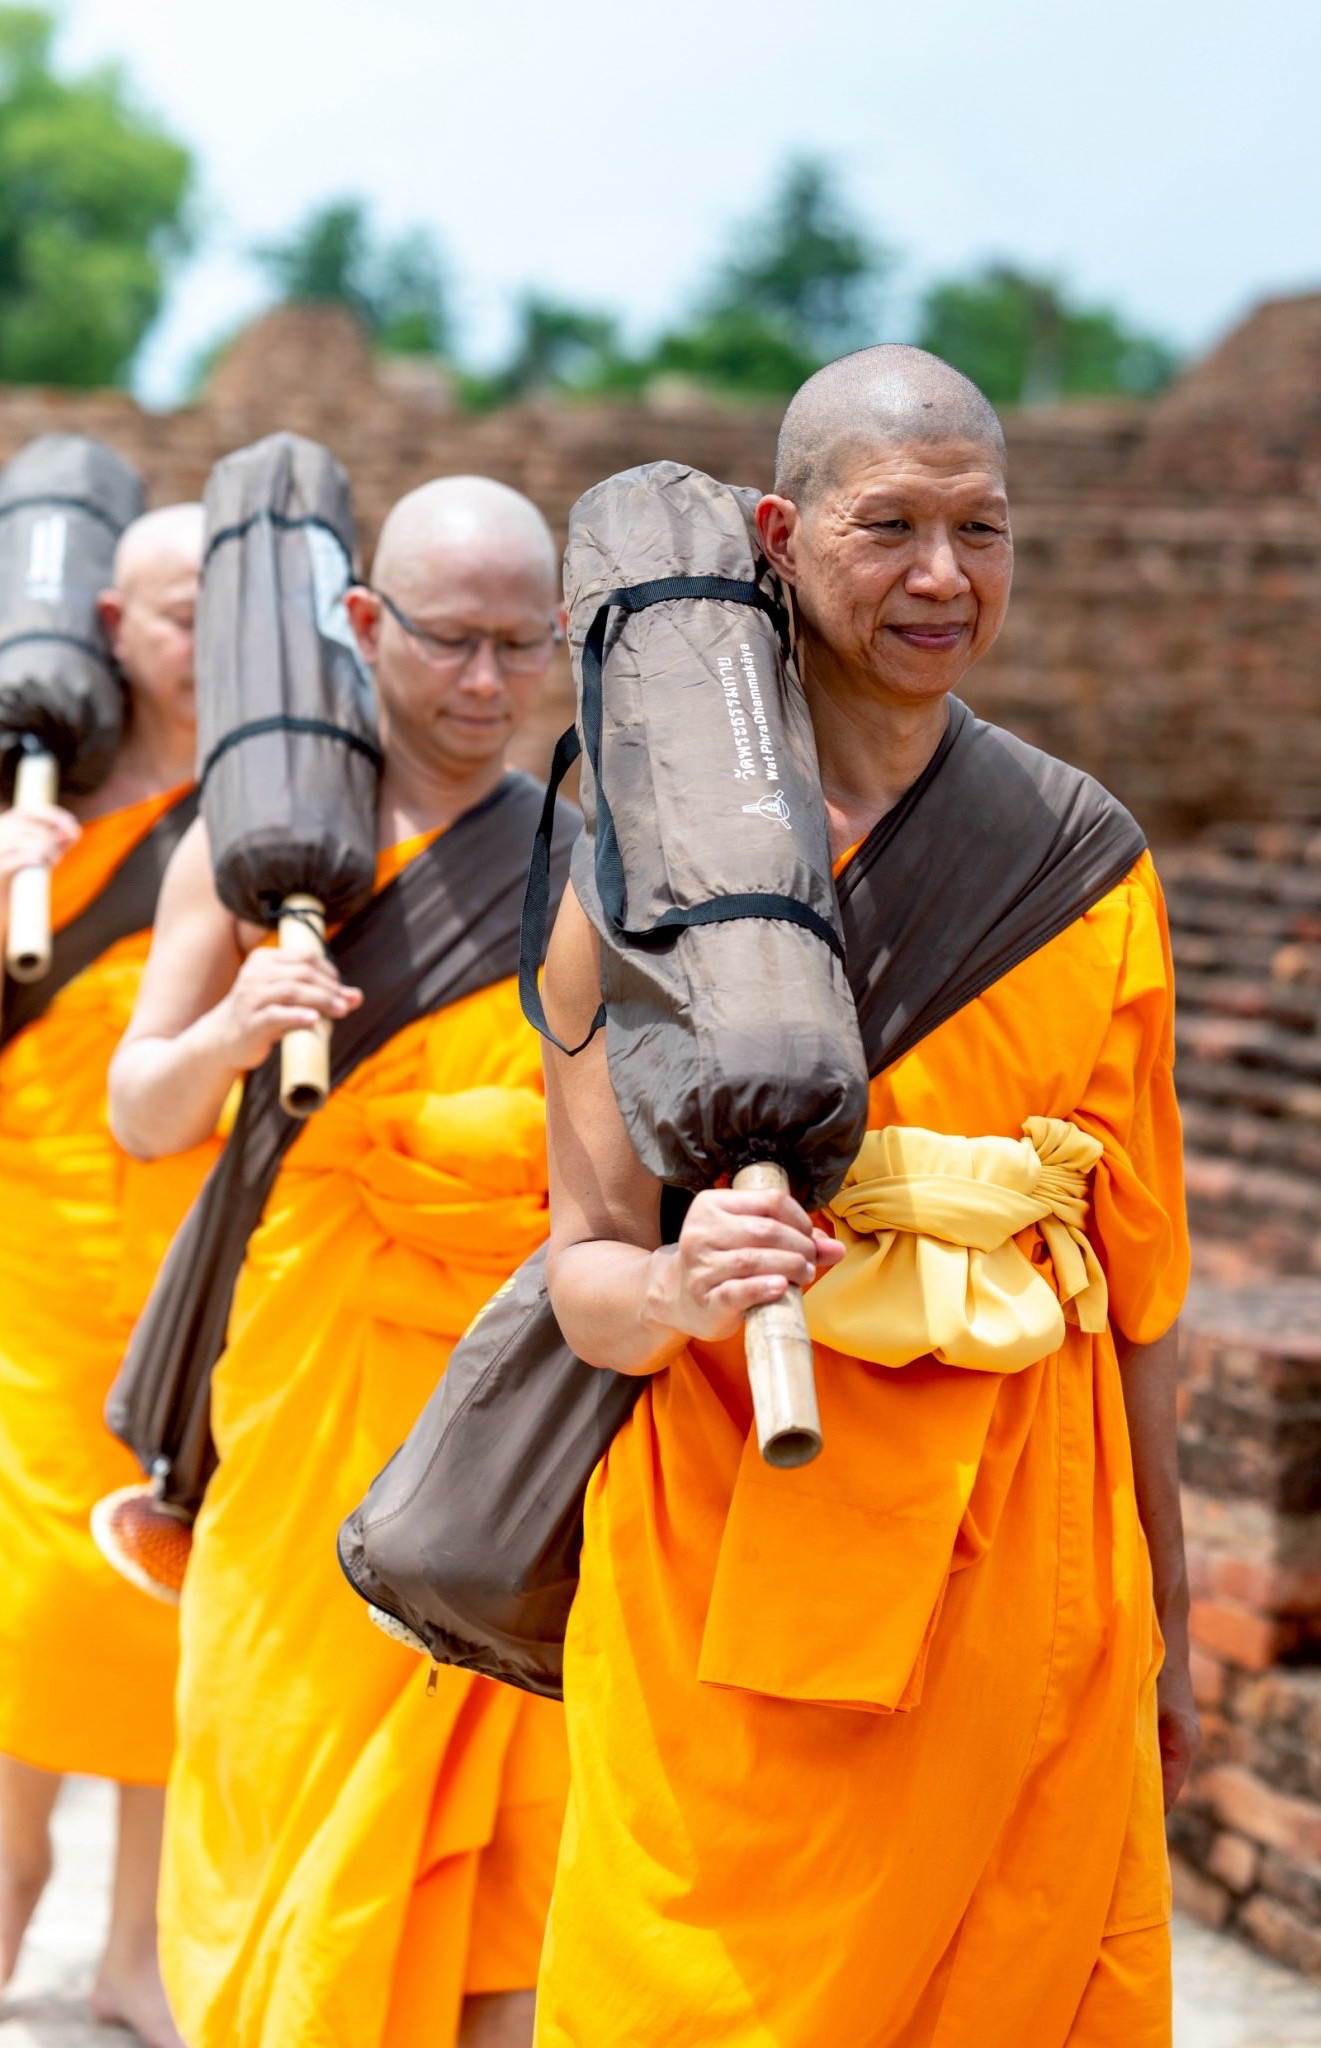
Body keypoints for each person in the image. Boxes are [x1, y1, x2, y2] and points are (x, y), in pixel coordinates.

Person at [535, 347, 1197, 2046]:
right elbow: (583, 1271)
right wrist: (681, 1289)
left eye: (979, 529)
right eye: (886, 525)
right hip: (735, 1552)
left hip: (1026, 1572)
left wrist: (1166, 1621)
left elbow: (1134, 1292)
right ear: (778, 528)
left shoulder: (1085, 860)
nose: (938, 578)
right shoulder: (642, 862)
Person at [108, 477, 571, 2048]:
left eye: (525, 646)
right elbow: (139, 1106)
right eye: (451, 642)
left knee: (502, 1847)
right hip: (304, 1417)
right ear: (364, 625)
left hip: (510, 1427)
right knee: (274, 1793)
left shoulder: (588, 858)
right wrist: (234, 1028)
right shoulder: (253, 850)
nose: (488, 686)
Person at [0, 504, 212, 2046]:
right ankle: (8, 1877)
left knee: (160, 1585)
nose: (202, 646)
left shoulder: (289, 790)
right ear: (115, 618)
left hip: (197, 1235)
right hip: (31, 1226)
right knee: (27, 1584)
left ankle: (135, 1944)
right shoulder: (19, 779)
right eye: (179, 615)